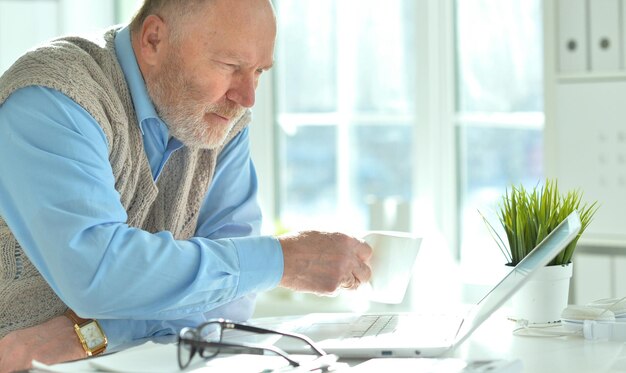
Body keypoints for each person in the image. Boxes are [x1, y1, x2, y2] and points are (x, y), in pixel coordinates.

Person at [0, 0, 372, 371]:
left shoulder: (217, 119)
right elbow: (100, 276)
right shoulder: (53, 98)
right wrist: (283, 260)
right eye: (230, 66)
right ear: (154, 40)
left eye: (259, 71)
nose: (247, 97)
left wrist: (93, 334)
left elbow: (227, 306)